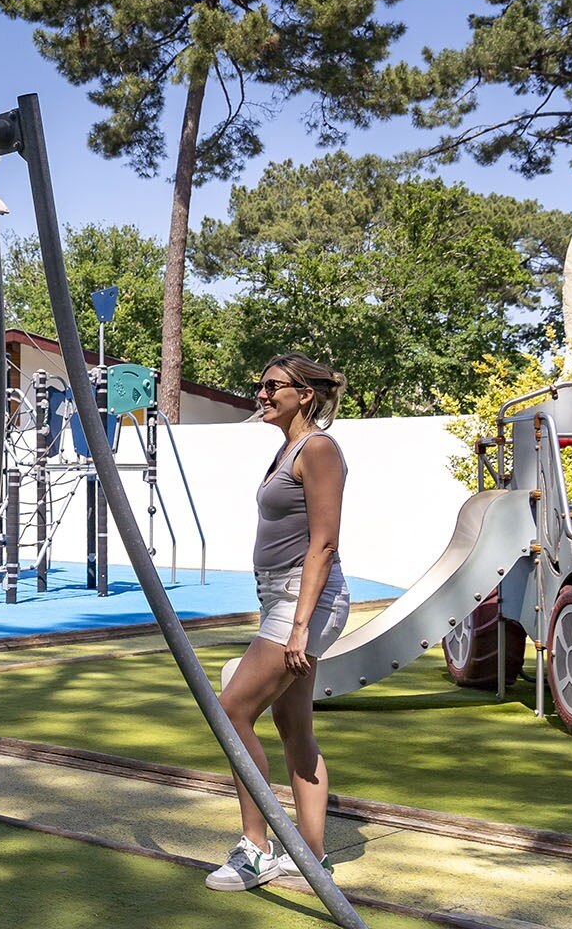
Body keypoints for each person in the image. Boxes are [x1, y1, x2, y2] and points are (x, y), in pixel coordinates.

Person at [205, 352, 353, 893]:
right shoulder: (288, 449)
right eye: (261, 386)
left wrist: (299, 627)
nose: (262, 394)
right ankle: (310, 858)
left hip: (302, 601)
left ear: (304, 394)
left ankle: (256, 849)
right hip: (281, 599)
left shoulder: (318, 449)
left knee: (231, 711)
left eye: (273, 386)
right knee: (295, 728)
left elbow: (325, 543)